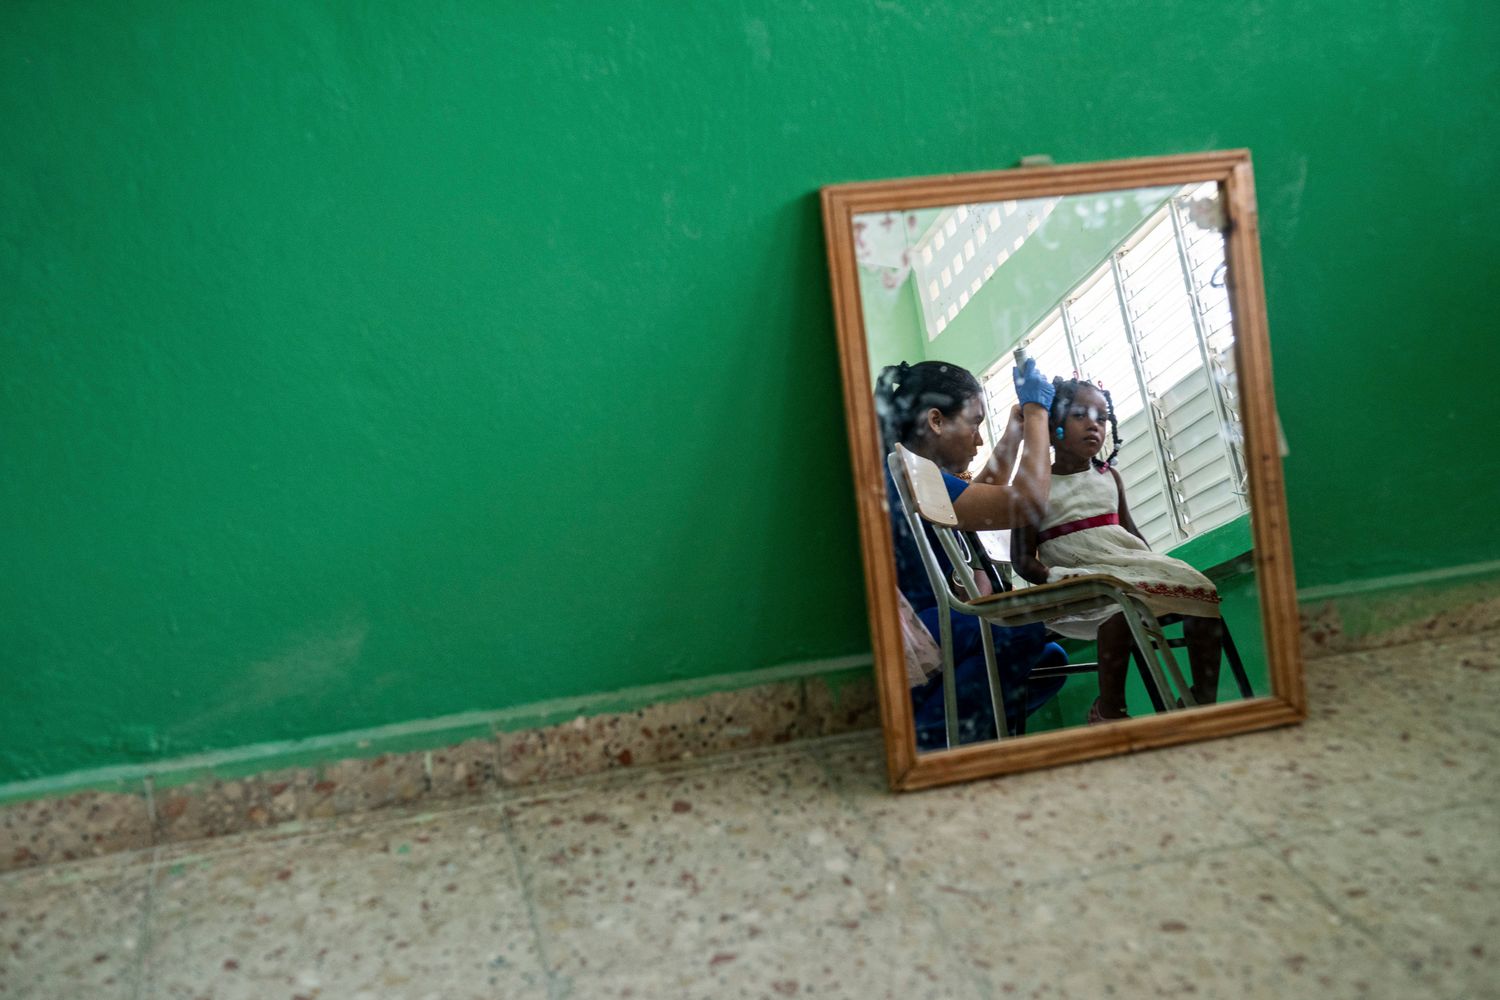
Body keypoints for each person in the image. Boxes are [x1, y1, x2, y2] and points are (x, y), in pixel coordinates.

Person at [875, 358, 1066, 747]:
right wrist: (1036, 414)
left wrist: (1014, 433)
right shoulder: (906, 473)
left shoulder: (914, 473)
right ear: (936, 421)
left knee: (1050, 659)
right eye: (975, 424)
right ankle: (927, 744)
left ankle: (958, 735)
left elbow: (980, 498)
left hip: (930, 623)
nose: (979, 440)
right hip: (911, 632)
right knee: (1019, 629)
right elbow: (1026, 504)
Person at [1009, 378, 1224, 723]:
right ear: (1052, 425)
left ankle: (1202, 699)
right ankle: (1109, 709)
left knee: (1202, 593)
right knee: (1119, 605)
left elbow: (1130, 534)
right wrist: (1053, 578)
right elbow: (1021, 559)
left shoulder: (1110, 478)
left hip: (1124, 569)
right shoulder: (1035, 485)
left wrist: (1155, 567)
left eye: (1102, 417)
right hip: (1076, 580)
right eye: (1080, 415)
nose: (1094, 425)